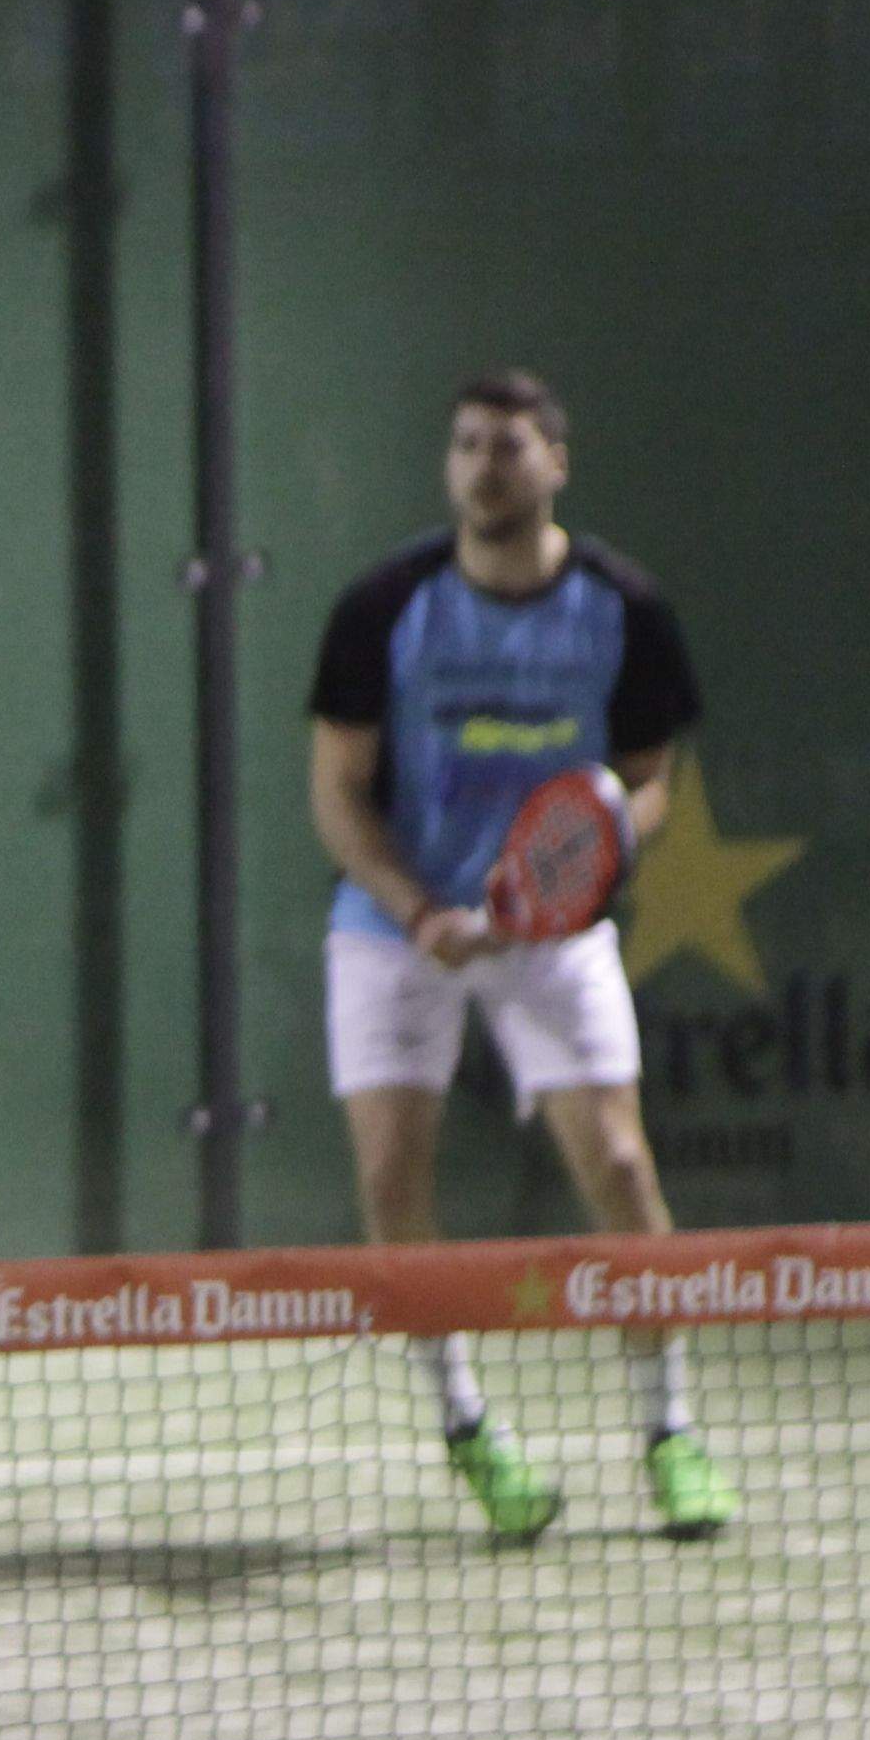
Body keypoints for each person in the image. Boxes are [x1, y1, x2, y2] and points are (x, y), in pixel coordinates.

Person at [305, 371, 737, 1544]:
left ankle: (671, 1434)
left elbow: (649, 783)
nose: (483, 466)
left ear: (558, 461)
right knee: (395, 1182)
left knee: (622, 1167)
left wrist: (585, 859)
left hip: (553, 932)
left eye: (508, 446)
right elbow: (338, 796)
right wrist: (415, 909)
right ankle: (469, 1434)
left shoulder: (624, 607)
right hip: (394, 930)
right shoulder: (382, 607)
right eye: (464, 447)